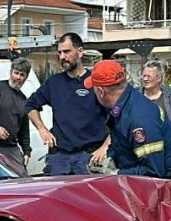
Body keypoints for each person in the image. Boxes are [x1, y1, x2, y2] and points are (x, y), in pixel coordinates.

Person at [25, 32, 109, 175]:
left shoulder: (96, 82)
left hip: (89, 156)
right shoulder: (54, 83)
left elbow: (118, 116)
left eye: (67, 51)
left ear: (80, 52)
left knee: (87, 197)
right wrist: (42, 129)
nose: (62, 57)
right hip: (59, 158)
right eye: (60, 52)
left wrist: (105, 147)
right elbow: (30, 105)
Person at [86, 59, 171, 178]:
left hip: (162, 189)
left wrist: (115, 174)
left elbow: (154, 171)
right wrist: (110, 159)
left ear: (101, 92)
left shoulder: (141, 120)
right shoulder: (124, 105)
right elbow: (123, 144)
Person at [140, 59, 171, 151]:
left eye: (149, 76)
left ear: (159, 78)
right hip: (140, 153)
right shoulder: (136, 97)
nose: (145, 79)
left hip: (167, 152)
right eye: (144, 76)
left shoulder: (170, 98)